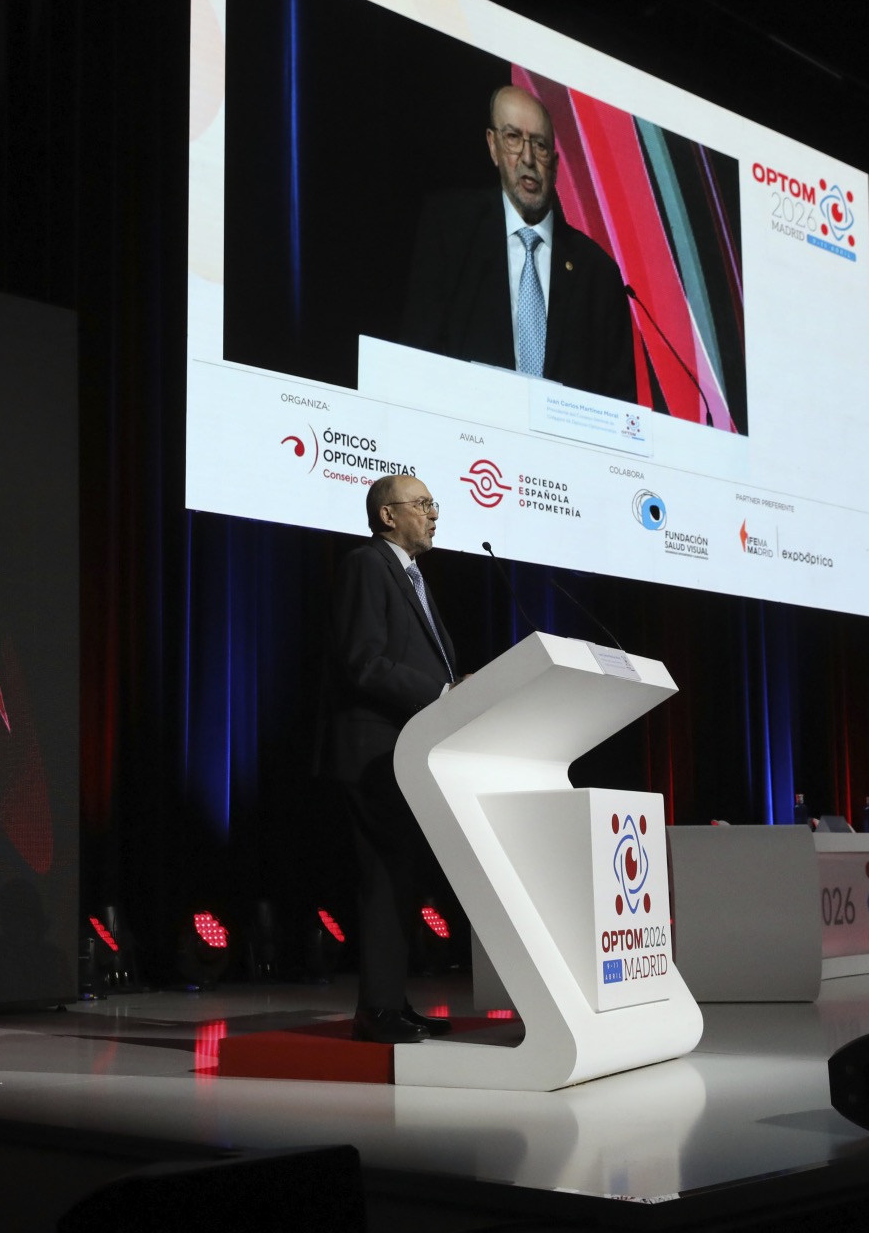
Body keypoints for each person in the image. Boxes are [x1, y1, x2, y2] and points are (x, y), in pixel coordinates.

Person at [319, 474, 461, 1043]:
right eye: (422, 504)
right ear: (387, 516)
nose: (434, 514)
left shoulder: (411, 576)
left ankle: (391, 1001)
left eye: (433, 504)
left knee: (400, 877)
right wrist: (443, 694)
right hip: (374, 749)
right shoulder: (366, 565)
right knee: (384, 877)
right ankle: (376, 1010)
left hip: (405, 751)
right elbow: (364, 661)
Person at [400, 85, 636, 403]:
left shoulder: (599, 274)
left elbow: (619, 404)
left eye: (539, 145)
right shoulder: (451, 230)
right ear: (493, 146)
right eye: (513, 138)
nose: (528, 157)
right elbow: (416, 358)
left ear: (555, 164)